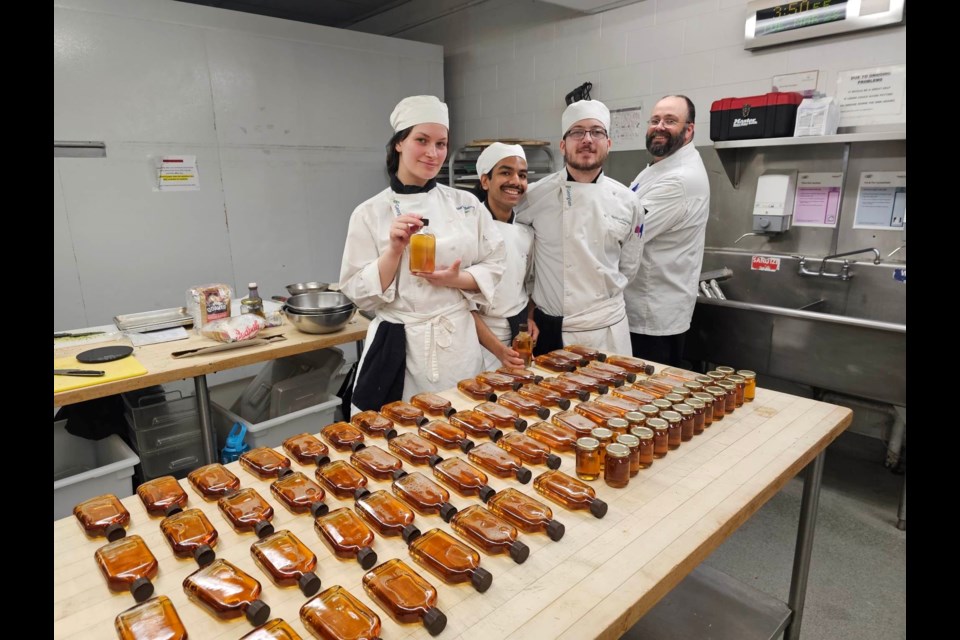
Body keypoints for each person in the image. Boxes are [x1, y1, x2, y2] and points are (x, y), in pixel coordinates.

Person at [339, 95, 505, 413]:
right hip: (399, 346)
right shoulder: (370, 212)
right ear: (399, 143)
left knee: (464, 429)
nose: (433, 153)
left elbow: (495, 261)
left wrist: (461, 278)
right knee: (402, 442)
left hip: (457, 343)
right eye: (422, 140)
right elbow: (359, 293)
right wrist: (393, 251)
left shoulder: (467, 205)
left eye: (441, 144)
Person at [514, 99, 644, 357]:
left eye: (597, 132)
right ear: (563, 145)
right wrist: (527, 306)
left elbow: (630, 267)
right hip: (550, 328)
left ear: (609, 144)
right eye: (577, 132)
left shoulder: (629, 202)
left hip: (606, 328)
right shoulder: (535, 197)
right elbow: (520, 259)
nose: (587, 139)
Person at [624, 95, 710, 367]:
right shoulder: (660, 166)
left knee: (646, 400)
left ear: (689, 130)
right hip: (640, 309)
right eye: (655, 120)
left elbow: (626, 234)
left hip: (652, 318)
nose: (660, 126)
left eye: (670, 120)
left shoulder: (679, 180)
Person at [469, 142, 538, 369]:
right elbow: (461, 304)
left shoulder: (526, 232)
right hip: (477, 341)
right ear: (485, 180)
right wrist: (499, 350)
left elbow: (526, 286)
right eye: (505, 172)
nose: (516, 182)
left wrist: (528, 318)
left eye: (522, 175)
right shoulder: (468, 229)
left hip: (517, 339)